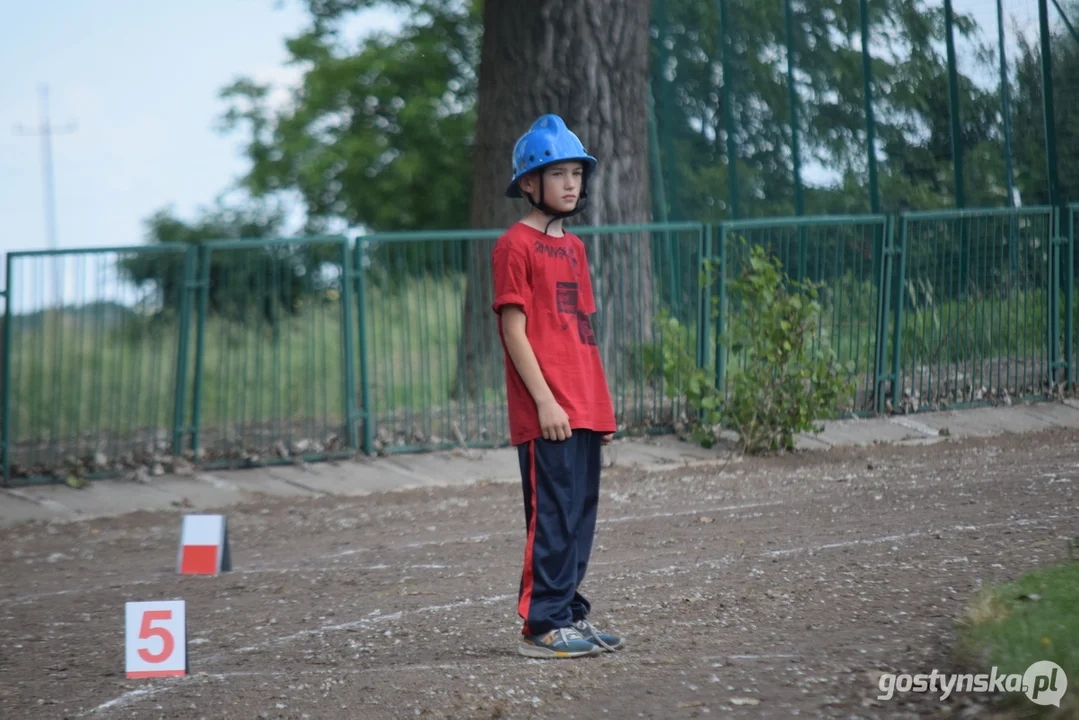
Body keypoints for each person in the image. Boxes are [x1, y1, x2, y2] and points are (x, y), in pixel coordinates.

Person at [490, 114, 626, 659]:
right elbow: (513, 329)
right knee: (552, 516)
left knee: (580, 515)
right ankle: (542, 625)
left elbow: (584, 331)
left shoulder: (574, 248)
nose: (571, 184)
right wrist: (546, 401)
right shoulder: (513, 246)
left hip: (584, 406)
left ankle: (568, 612)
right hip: (547, 411)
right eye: (558, 173)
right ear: (529, 183)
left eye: (577, 173)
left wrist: (601, 407)